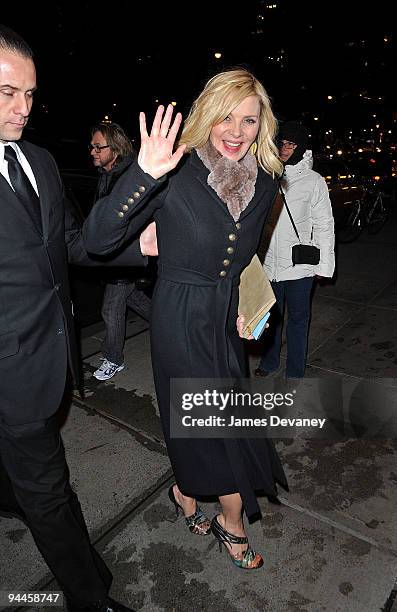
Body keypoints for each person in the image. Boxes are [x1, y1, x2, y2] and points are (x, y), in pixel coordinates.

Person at [83, 68, 289, 570]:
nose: (236, 131)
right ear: (206, 116)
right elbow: (95, 241)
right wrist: (144, 175)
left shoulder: (264, 181)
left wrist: (254, 309)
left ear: (261, 125)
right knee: (212, 428)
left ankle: (184, 489)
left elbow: (244, 259)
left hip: (224, 320)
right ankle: (232, 520)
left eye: (247, 119)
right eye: (225, 117)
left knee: (220, 423)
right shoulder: (174, 169)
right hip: (178, 315)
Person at [0, 25, 148, 611]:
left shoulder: (38, 160)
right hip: (10, 374)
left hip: (50, 357)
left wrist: (144, 244)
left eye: (31, 95)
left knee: (29, 482)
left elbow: (71, 244)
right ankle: (93, 599)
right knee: (52, 492)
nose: (23, 109)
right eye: (7, 92)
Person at [255, 120, 335, 379]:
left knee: (299, 320)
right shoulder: (266, 175)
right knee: (271, 319)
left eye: (291, 143)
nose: (284, 148)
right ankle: (269, 363)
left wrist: (324, 267)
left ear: (301, 147)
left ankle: (295, 369)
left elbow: (324, 225)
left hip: (300, 266)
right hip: (268, 264)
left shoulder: (313, 181)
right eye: (281, 142)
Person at [89, 122, 151, 381]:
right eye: (92, 146)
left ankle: (114, 358)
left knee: (111, 307)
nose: (92, 151)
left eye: (97, 147)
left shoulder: (126, 177)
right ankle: (171, 322)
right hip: (115, 256)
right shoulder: (107, 175)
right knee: (133, 299)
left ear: (114, 149)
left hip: (127, 255)